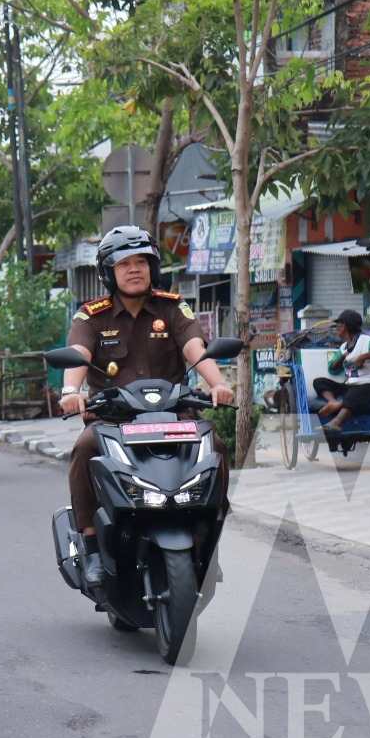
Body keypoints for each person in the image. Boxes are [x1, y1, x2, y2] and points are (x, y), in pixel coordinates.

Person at [59, 225, 234, 602]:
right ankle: (91, 544)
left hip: (174, 416)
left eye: (141, 262)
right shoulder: (91, 315)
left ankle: (208, 532)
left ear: (153, 267)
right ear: (109, 273)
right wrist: (71, 391)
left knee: (216, 446)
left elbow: (195, 347)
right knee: (85, 449)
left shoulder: (173, 307)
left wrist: (218, 383)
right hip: (113, 419)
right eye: (124, 264)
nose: (134, 269)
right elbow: (78, 355)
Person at [312, 309, 370, 446]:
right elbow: (332, 369)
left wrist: (363, 357)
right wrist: (342, 356)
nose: (337, 328)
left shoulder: (367, 341)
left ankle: (336, 422)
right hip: (351, 385)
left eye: (338, 325)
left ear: (345, 326)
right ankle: (333, 402)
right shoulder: (344, 347)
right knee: (319, 382)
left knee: (356, 392)